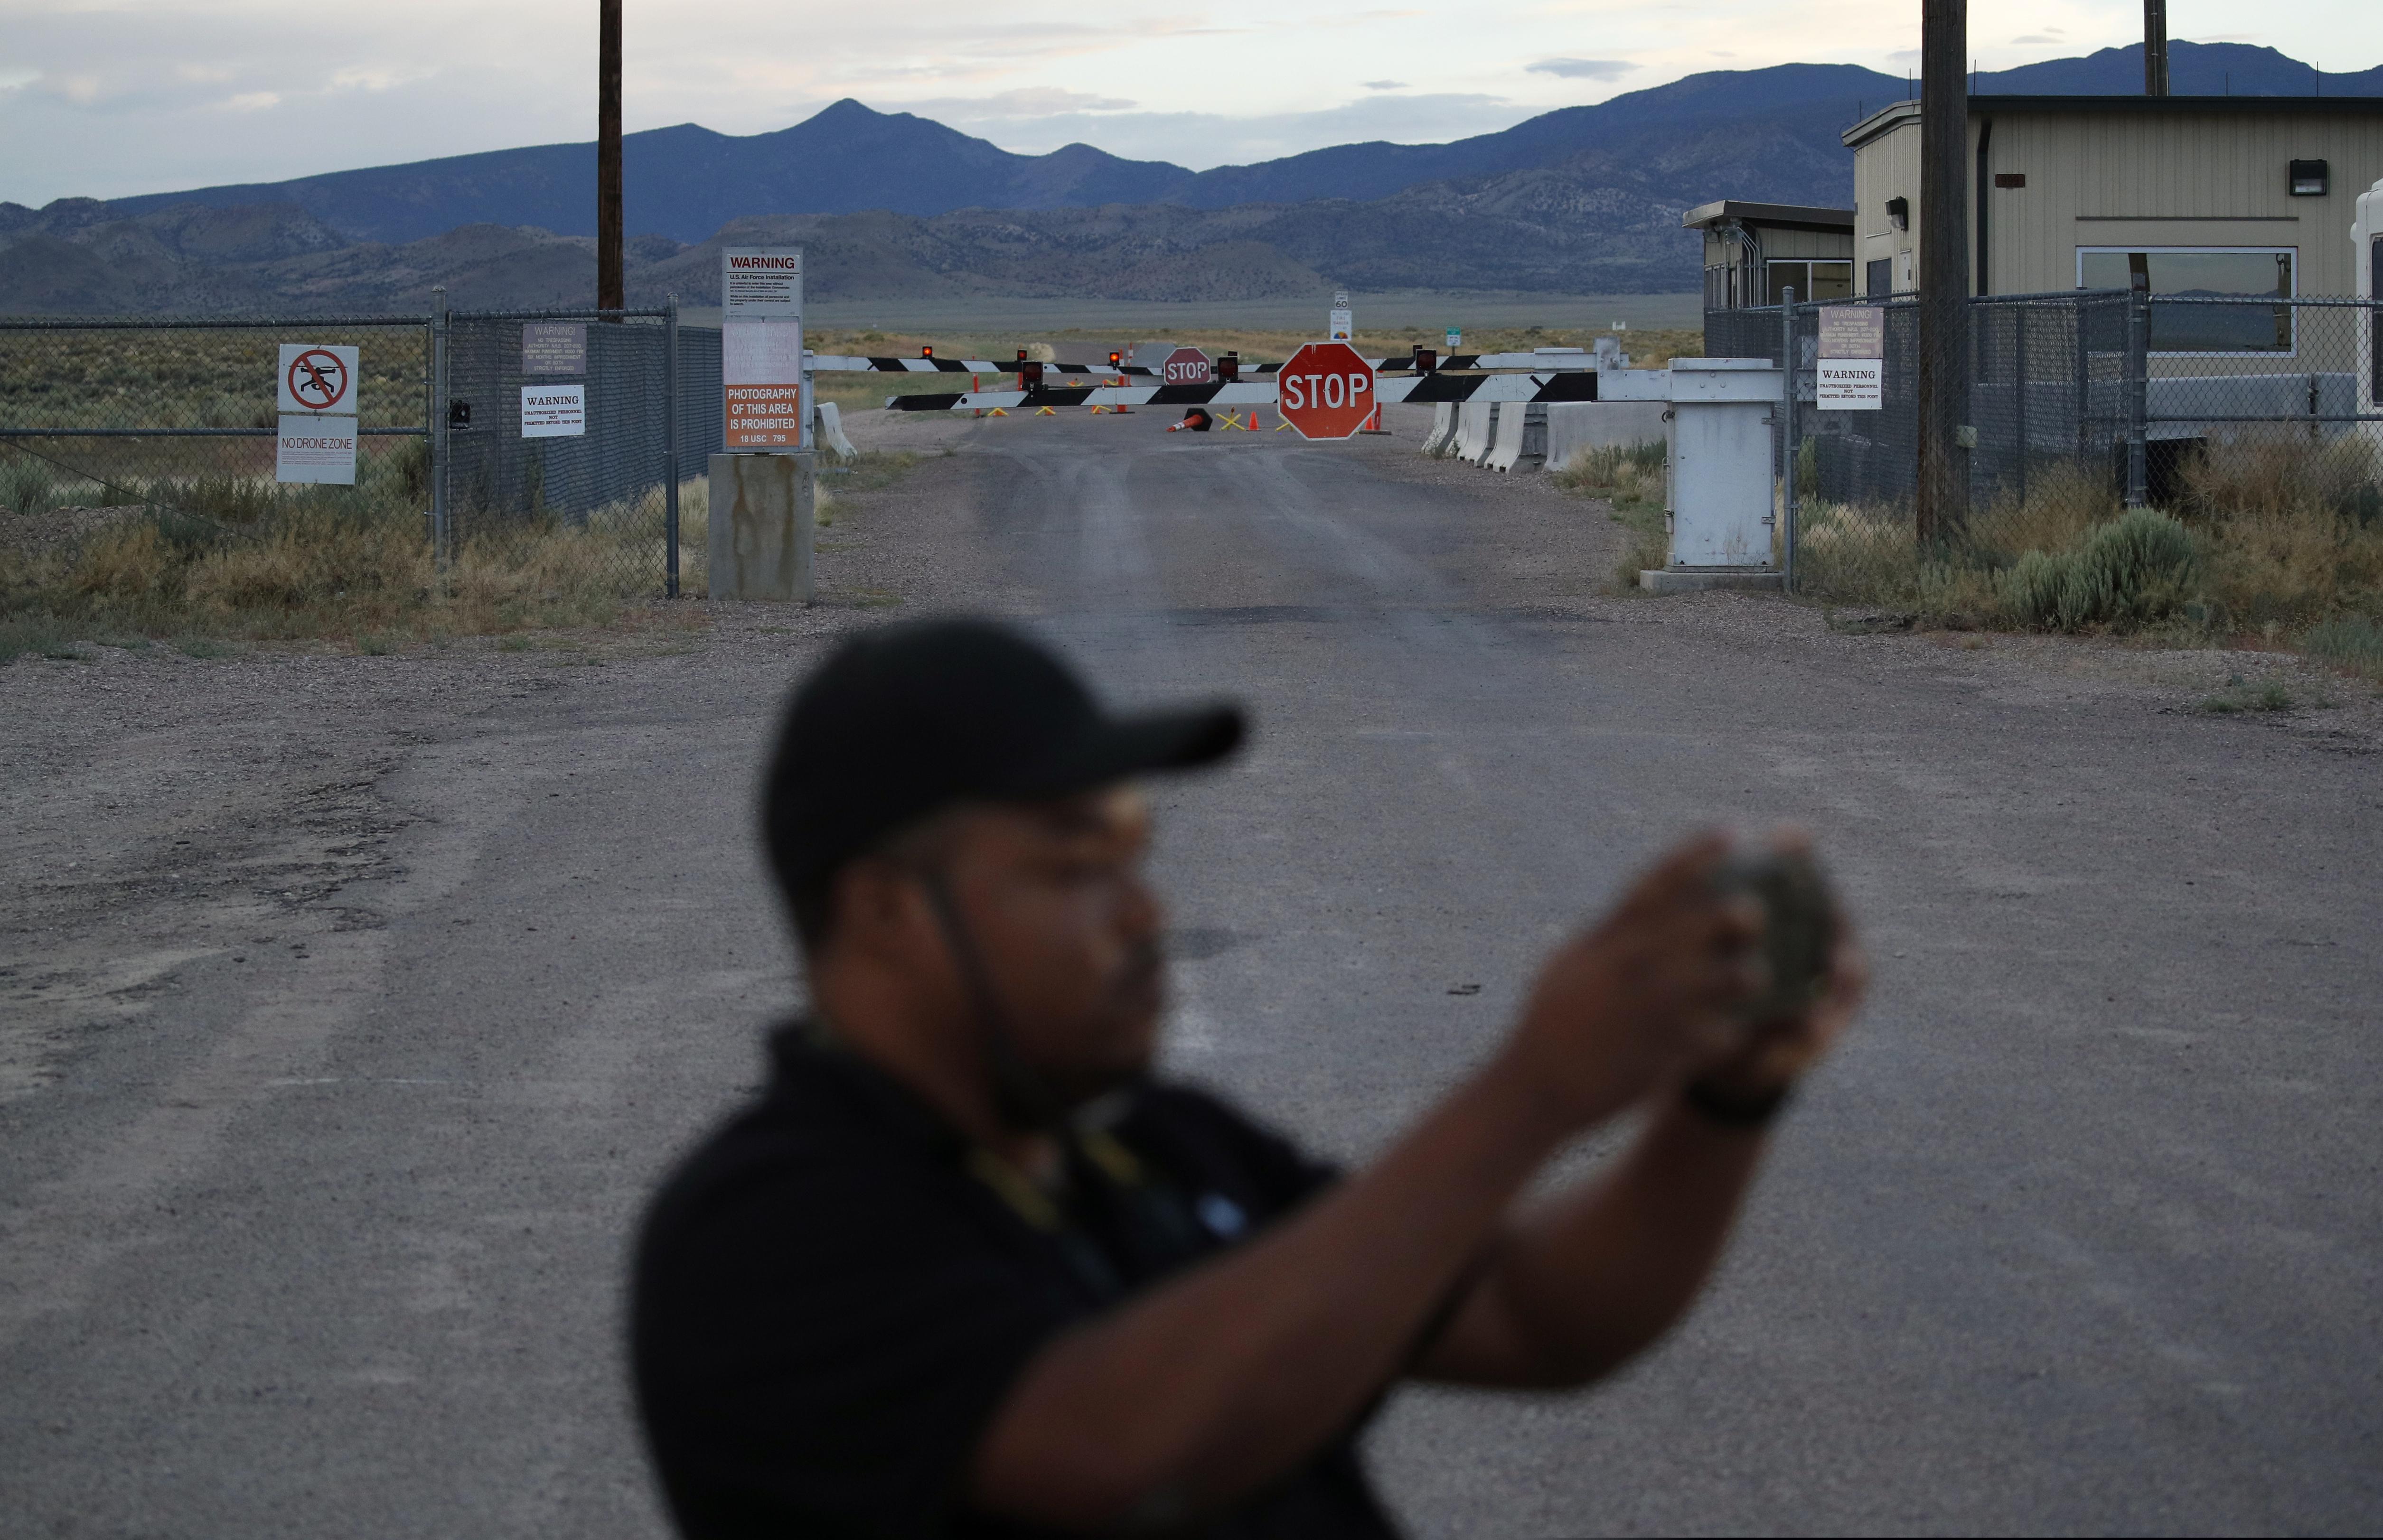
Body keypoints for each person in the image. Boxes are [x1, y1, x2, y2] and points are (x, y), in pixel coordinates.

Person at [631, 618, 1864, 1539]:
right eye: (1075, 868)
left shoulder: (1164, 1150)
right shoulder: (764, 1230)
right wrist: (1531, 1093)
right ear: (887, 913)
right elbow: (1124, 1451)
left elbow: (1536, 1320)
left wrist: (1722, 1104)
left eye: (1136, 857)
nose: (1144, 913)